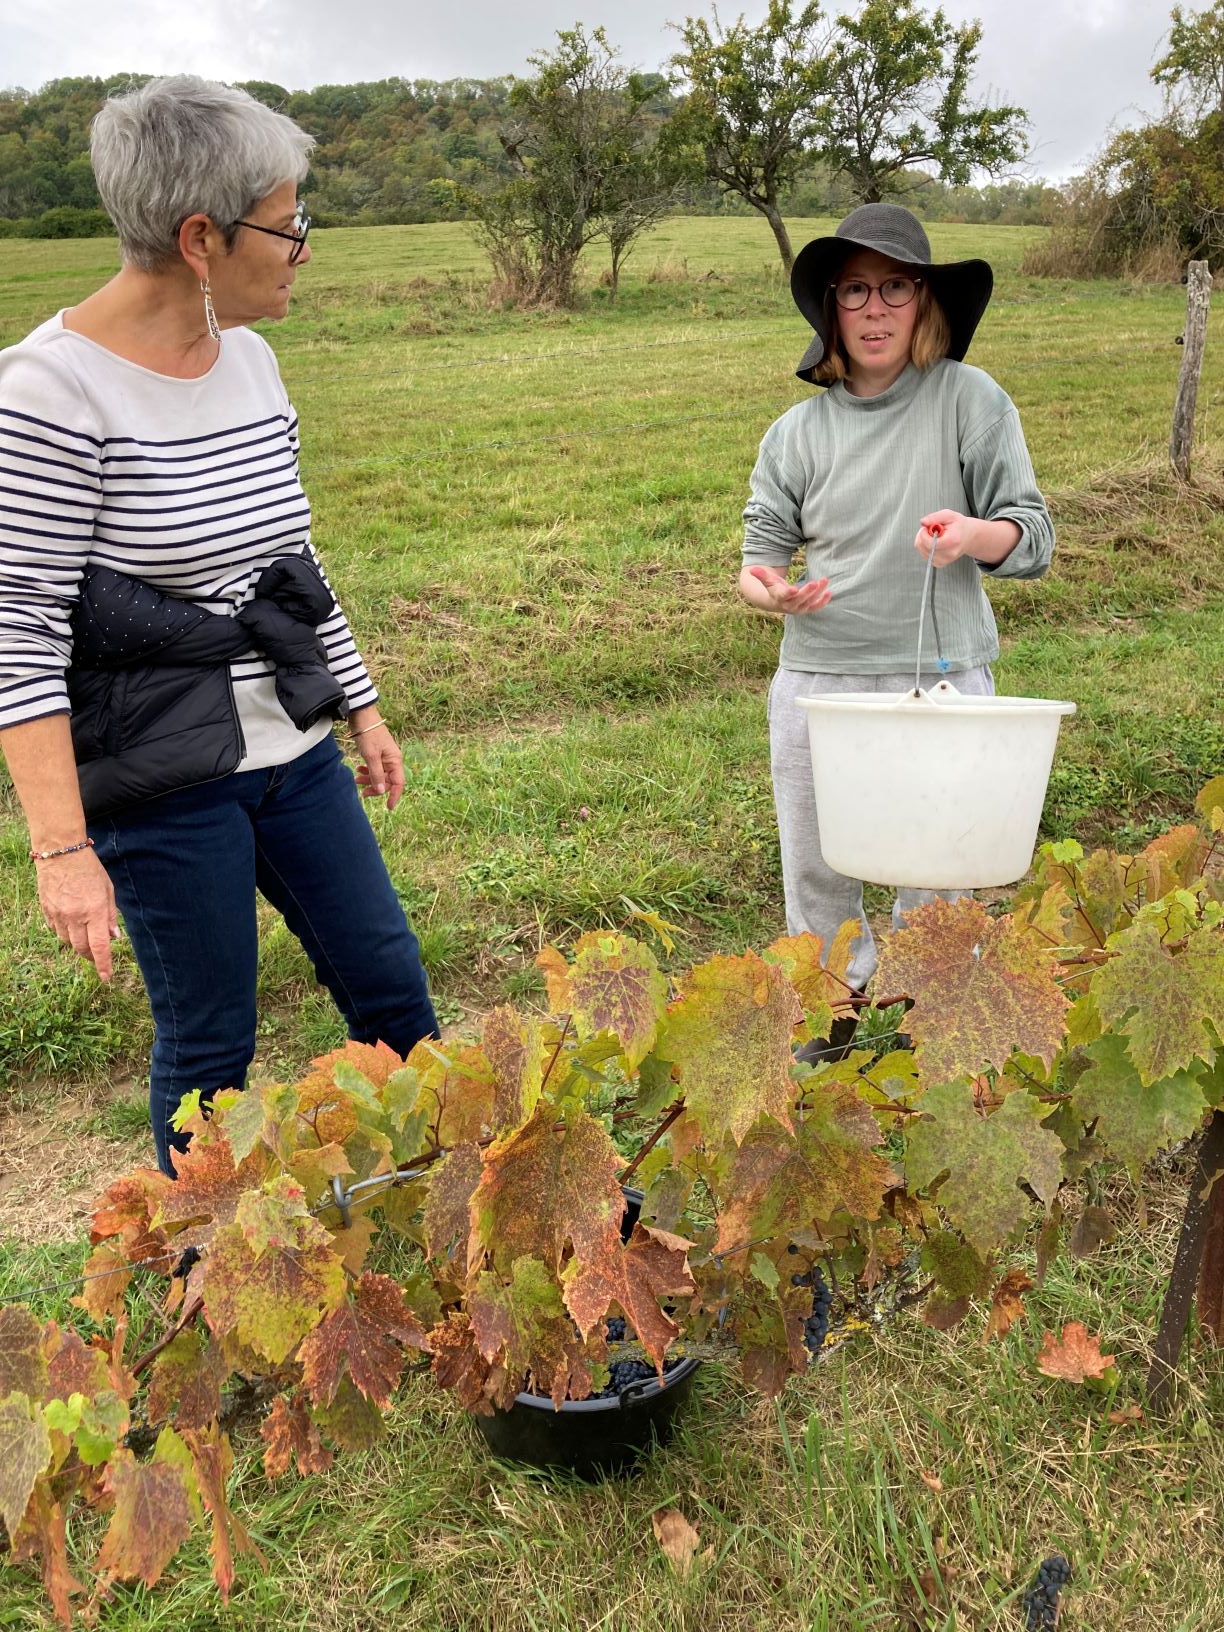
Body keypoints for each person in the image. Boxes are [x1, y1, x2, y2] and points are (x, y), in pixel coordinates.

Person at [0, 77, 438, 1174]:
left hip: (293, 750)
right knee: (211, 1050)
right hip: (161, 774)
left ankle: (466, 1222)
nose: (301, 249)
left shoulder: (252, 360)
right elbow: (20, 626)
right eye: (289, 227)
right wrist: (62, 851)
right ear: (201, 236)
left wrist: (359, 700)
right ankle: (211, 1289)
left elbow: (291, 557)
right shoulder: (50, 394)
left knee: (390, 989)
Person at [740, 203, 1054, 996]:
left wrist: (970, 535)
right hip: (818, 686)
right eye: (854, 291)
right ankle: (830, 1024)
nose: (874, 309)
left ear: (924, 301)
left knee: (937, 873)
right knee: (817, 875)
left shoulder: (969, 399)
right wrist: (773, 592)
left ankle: (933, 1027)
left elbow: (1033, 536)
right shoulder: (795, 434)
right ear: (830, 310)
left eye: (895, 287)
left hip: (939, 681)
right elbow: (757, 562)